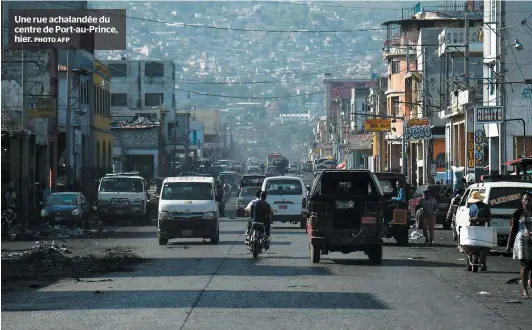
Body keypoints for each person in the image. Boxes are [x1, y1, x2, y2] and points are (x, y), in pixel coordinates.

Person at [507, 192, 532, 298]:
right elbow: (512, 229)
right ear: (521, 201)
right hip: (521, 239)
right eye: (525, 200)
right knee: (525, 265)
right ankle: (524, 290)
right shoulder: (517, 213)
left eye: (529, 200)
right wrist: (509, 244)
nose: (527, 202)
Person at [468, 191, 492, 271]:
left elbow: (489, 218)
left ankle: (483, 263)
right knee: (472, 246)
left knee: (484, 247)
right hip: (473, 229)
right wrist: (472, 219)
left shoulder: (485, 207)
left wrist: (481, 219)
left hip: (483, 229)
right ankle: (471, 262)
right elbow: (469, 218)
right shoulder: (472, 207)